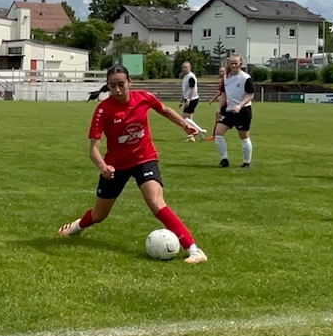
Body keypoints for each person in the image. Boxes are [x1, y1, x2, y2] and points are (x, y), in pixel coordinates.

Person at [57, 65, 207, 264]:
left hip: (145, 159)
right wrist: (102, 166)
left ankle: (194, 250)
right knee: (99, 214)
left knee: (156, 202)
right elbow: (93, 149)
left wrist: (184, 125)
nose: (117, 90)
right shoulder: (103, 109)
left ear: (130, 82)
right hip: (115, 166)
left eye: (121, 84)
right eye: (112, 86)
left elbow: (165, 110)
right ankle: (78, 226)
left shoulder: (144, 97)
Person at [214, 55, 254, 167]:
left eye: (236, 63)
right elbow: (224, 94)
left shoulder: (246, 78)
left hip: (243, 111)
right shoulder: (226, 78)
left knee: (244, 137)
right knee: (218, 133)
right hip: (229, 111)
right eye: (231, 63)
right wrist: (219, 108)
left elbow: (250, 95)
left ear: (241, 63)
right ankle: (224, 160)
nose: (233, 65)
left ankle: (246, 162)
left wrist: (239, 106)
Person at [178, 61, 203, 142]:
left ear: (190, 68)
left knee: (184, 119)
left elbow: (192, 89)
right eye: (183, 67)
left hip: (192, 99)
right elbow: (186, 89)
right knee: (189, 119)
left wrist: (188, 99)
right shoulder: (186, 76)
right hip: (189, 98)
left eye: (186, 67)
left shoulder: (191, 77)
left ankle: (199, 130)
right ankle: (192, 136)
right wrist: (182, 100)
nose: (185, 69)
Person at [205, 61, 228, 141]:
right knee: (218, 117)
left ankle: (215, 136)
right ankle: (215, 135)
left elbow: (221, 92)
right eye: (220, 71)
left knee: (219, 117)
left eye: (222, 71)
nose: (221, 73)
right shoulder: (223, 80)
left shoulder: (226, 80)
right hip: (225, 103)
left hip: (227, 104)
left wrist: (213, 99)